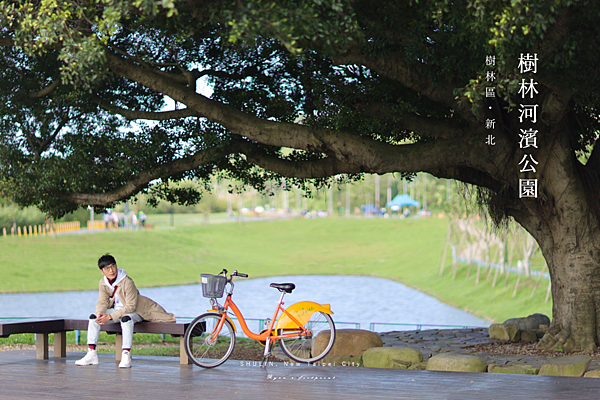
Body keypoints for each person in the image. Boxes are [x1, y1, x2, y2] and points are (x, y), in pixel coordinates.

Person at [75, 254, 176, 368]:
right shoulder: (103, 283)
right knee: (94, 318)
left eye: (113, 266)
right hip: (117, 311)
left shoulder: (127, 281)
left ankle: (126, 354)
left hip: (137, 311)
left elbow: (131, 307)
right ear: (102, 271)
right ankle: (91, 353)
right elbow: (102, 302)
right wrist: (100, 314)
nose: (111, 270)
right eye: (107, 268)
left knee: (126, 319)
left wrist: (110, 317)